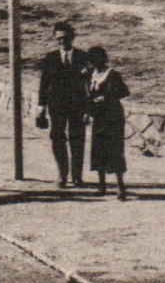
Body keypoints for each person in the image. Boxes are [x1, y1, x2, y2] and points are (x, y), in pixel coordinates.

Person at [37, 21, 91, 188]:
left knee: (77, 140)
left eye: (65, 38)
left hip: (78, 106)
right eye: (59, 39)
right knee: (57, 139)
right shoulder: (50, 58)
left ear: (72, 38)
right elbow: (44, 83)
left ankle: (77, 176)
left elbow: (90, 85)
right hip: (57, 106)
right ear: (55, 39)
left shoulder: (83, 57)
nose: (62, 42)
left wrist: (89, 109)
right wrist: (41, 107)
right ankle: (62, 174)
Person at [85, 46, 131, 200]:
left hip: (113, 118)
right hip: (98, 117)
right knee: (98, 150)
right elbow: (88, 97)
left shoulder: (112, 75)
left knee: (115, 151)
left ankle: (120, 188)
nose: (93, 62)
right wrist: (88, 112)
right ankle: (102, 186)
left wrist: (106, 97)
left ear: (102, 59)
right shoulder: (91, 75)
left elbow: (124, 92)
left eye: (95, 59)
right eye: (91, 60)